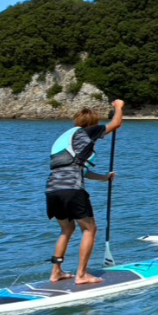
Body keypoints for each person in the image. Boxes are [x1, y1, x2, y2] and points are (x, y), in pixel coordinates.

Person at [46, 100, 124, 284]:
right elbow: (115, 124)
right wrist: (119, 107)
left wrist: (104, 178)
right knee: (90, 229)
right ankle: (81, 275)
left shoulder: (64, 138)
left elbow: (83, 171)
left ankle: (56, 272)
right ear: (93, 123)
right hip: (72, 189)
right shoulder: (87, 130)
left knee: (67, 229)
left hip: (52, 189)